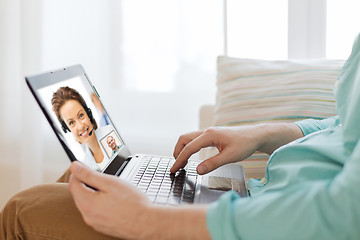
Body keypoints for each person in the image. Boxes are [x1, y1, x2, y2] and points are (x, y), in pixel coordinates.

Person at [1, 35, 360, 239]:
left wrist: (147, 219)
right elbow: (344, 127)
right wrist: (261, 133)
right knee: (84, 180)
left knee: (24, 208)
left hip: (266, 223)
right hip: (265, 202)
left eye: (82, 115)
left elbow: (345, 216)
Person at [52, 87, 111, 171]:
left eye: (81, 115)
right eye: (71, 123)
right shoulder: (85, 166)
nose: (80, 126)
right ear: (68, 129)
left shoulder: (112, 132)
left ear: (88, 113)